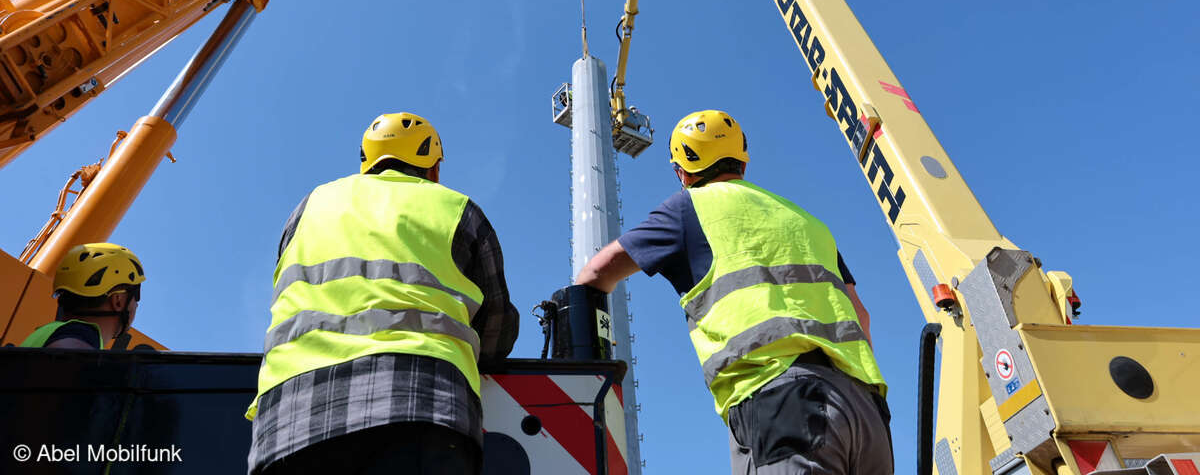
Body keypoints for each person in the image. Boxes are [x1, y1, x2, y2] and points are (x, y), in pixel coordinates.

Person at [576, 110, 893, 475]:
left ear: (683, 171)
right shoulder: (807, 222)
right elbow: (861, 318)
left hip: (785, 402)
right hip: (866, 410)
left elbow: (596, 272)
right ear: (743, 161)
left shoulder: (688, 207)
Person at [247, 113, 519, 475]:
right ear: (434, 168)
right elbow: (496, 330)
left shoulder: (308, 208)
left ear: (367, 162)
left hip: (289, 420)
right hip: (421, 407)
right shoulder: (456, 210)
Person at [20, 242, 145, 350]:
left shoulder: (47, 331)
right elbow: (64, 356)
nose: (137, 304)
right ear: (118, 300)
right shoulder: (82, 334)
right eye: (136, 295)